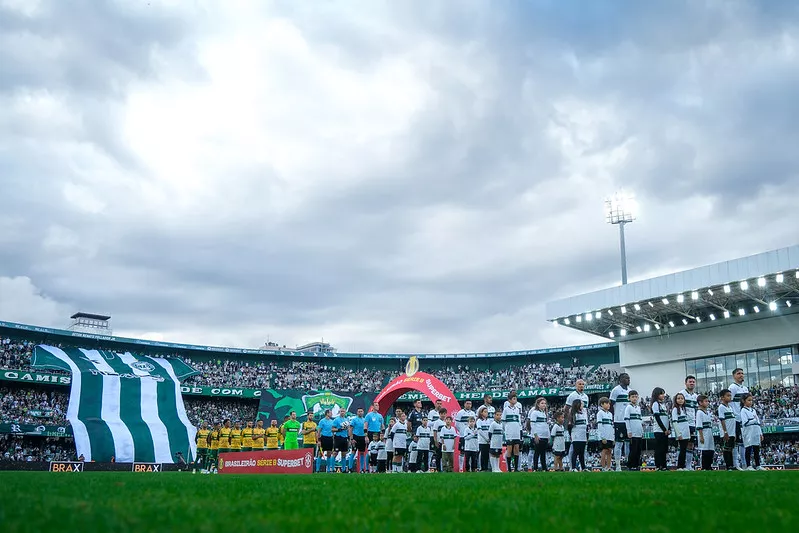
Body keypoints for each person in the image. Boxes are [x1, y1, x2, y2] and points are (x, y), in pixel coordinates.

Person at [564, 380, 589, 469]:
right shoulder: (572, 396)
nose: (581, 386)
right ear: (576, 385)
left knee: (582, 449)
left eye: (583, 384)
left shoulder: (586, 396)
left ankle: (583, 467)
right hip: (575, 425)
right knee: (574, 447)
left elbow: (586, 410)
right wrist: (569, 422)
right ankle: (572, 466)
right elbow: (566, 409)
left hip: (583, 424)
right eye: (579, 384)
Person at [609, 373, 631, 471]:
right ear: (621, 379)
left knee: (628, 443)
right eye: (626, 378)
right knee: (619, 443)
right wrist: (613, 417)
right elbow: (611, 405)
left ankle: (628, 462)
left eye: (629, 378)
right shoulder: (616, 390)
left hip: (628, 421)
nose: (628, 379)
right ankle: (618, 465)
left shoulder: (630, 391)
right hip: (619, 420)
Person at [729, 368, 749, 470]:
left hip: (744, 418)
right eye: (738, 373)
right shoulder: (732, 387)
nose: (741, 375)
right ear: (734, 376)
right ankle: (736, 464)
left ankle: (745, 464)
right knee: (736, 442)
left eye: (742, 373)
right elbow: (728, 402)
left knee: (744, 442)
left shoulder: (745, 389)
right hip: (736, 418)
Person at [678, 375, 699, 471]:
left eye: (693, 382)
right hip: (684, 423)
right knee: (683, 444)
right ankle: (681, 465)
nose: (691, 383)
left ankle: (689, 466)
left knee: (691, 444)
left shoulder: (696, 396)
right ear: (685, 383)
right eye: (690, 381)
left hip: (693, 423)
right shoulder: (681, 394)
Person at [740, 393, 764, 470]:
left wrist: (760, 433)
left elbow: (758, 422)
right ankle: (748, 465)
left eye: (751, 400)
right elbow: (745, 422)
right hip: (748, 431)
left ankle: (758, 465)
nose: (750, 402)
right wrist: (753, 420)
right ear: (744, 401)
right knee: (748, 448)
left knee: (756, 448)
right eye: (748, 400)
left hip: (755, 430)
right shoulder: (743, 410)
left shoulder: (753, 410)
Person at [502, 392, 523, 472]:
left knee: (517, 448)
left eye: (516, 398)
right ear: (509, 400)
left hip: (516, 431)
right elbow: (503, 422)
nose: (515, 400)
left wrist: (519, 429)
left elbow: (519, 421)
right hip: (509, 432)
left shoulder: (517, 409)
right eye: (514, 399)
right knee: (509, 449)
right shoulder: (506, 410)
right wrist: (505, 430)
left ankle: (517, 468)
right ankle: (509, 468)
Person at [650, 387, 670, 471]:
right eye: (661, 394)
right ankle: (658, 465)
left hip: (665, 430)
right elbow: (657, 418)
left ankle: (664, 465)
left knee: (664, 448)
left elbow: (667, 418)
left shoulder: (663, 404)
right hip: (659, 430)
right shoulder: (655, 404)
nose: (663, 395)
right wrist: (664, 429)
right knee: (659, 448)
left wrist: (668, 429)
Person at [529, 397, 550, 472]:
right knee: (537, 452)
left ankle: (544, 468)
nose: (544, 405)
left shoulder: (545, 413)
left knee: (543, 453)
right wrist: (535, 435)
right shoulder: (534, 413)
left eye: (545, 403)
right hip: (538, 435)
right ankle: (535, 468)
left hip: (544, 435)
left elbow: (546, 425)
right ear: (538, 404)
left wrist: (548, 436)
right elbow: (532, 425)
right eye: (542, 403)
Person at [718, 389, 737, 470]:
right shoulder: (721, 407)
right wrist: (725, 432)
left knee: (731, 449)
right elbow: (722, 420)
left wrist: (734, 433)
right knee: (726, 449)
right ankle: (728, 466)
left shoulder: (730, 407)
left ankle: (731, 465)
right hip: (726, 432)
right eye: (728, 395)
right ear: (722, 397)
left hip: (732, 432)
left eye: (730, 395)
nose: (730, 397)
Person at [455, 400, 476, 472]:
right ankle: (461, 468)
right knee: (462, 452)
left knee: (471, 452)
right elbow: (456, 424)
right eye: (467, 403)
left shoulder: (473, 413)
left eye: (470, 404)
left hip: (472, 436)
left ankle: (470, 468)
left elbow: (474, 425)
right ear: (464, 404)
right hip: (463, 435)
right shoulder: (460, 413)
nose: (469, 405)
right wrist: (462, 431)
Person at [624, 390, 643, 471]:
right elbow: (626, 420)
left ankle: (636, 464)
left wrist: (642, 431)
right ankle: (630, 465)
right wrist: (629, 431)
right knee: (633, 449)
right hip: (633, 432)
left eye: (636, 396)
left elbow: (640, 420)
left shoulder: (638, 408)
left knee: (638, 449)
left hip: (639, 432)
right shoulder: (628, 407)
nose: (634, 398)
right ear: (629, 398)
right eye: (632, 397)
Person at [671, 392, 690, 471]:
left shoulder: (684, 409)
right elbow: (674, 422)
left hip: (686, 432)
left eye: (682, 398)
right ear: (675, 400)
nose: (680, 400)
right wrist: (678, 433)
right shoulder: (675, 409)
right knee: (682, 450)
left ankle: (683, 466)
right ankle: (679, 466)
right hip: (681, 433)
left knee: (684, 450)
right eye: (678, 398)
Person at [696, 395, 715, 470]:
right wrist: (701, 436)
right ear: (700, 402)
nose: (707, 403)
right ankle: (704, 466)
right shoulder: (699, 413)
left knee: (710, 450)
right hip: (704, 433)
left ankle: (709, 466)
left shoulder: (707, 413)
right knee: (705, 450)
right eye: (706, 401)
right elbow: (699, 425)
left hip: (709, 432)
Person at [568, 398, 588, 472]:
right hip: (576, 435)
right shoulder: (573, 414)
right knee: (575, 451)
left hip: (583, 435)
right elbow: (569, 426)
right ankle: (573, 467)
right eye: (582, 404)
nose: (583, 405)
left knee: (582, 453)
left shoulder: (584, 413)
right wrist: (572, 435)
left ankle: (583, 467)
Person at [597, 397, 614, 471]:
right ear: (602, 404)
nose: (608, 405)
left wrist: (613, 437)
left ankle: (609, 467)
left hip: (610, 435)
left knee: (610, 451)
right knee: (604, 450)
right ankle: (603, 467)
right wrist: (602, 437)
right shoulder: (600, 413)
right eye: (606, 403)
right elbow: (600, 426)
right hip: (604, 436)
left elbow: (611, 426)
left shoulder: (610, 414)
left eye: (609, 403)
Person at [349, 408, 368, 473]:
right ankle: (350, 468)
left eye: (361, 411)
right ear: (357, 412)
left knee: (362, 452)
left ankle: (362, 469)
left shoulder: (365, 420)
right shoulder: (354, 420)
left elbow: (366, 429)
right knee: (353, 452)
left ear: (363, 412)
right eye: (359, 411)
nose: (360, 412)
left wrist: (366, 437)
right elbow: (350, 429)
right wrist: (351, 438)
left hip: (362, 437)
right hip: (355, 437)